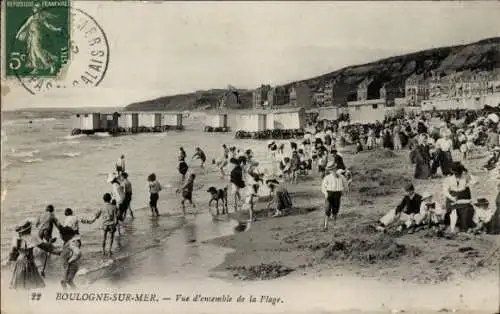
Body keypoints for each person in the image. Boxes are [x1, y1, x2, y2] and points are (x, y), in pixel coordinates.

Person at [8, 219, 61, 290]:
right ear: (28, 229)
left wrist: (11, 262)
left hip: (19, 263)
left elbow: (12, 253)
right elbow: (45, 247)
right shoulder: (32, 237)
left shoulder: (16, 238)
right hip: (29, 263)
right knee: (32, 284)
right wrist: (57, 251)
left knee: (20, 284)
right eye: (30, 228)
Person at [442, 162, 477, 233]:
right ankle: (453, 227)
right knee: (453, 213)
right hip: (452, 198)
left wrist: (468, 178)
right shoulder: (448, 179)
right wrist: (452, 198)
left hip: (464, 197)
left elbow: (476, 181)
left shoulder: (465, 177)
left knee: (467, 210)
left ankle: (464, 227)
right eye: (455, 173)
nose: (457, 175)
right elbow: (445, 191)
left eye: (458, 173)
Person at [54, 208, 82, 289]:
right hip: (76, 240)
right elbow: (87, 221)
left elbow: (63, 232)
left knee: (66, 262)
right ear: (72, 212)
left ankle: (65, 281)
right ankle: (69, 281)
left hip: (70, 242)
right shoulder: (76, 217)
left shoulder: (67, 221)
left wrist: (57, 223)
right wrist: (94, 218)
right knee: (74, 263)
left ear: (66, 214)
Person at [321, 161, 349, 231]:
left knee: (335, 210)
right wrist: (326, 194)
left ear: (336, 168)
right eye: (331, 170)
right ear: (329, 171)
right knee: (327, 210)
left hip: (337, 194)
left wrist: (345, 190)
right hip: (329, 194)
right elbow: (323, 187)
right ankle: (325, 226)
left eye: (334, 169)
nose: (333, 171)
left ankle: (334, 225)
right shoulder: (327, 178)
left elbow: (345, 185)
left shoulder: (341, 177)